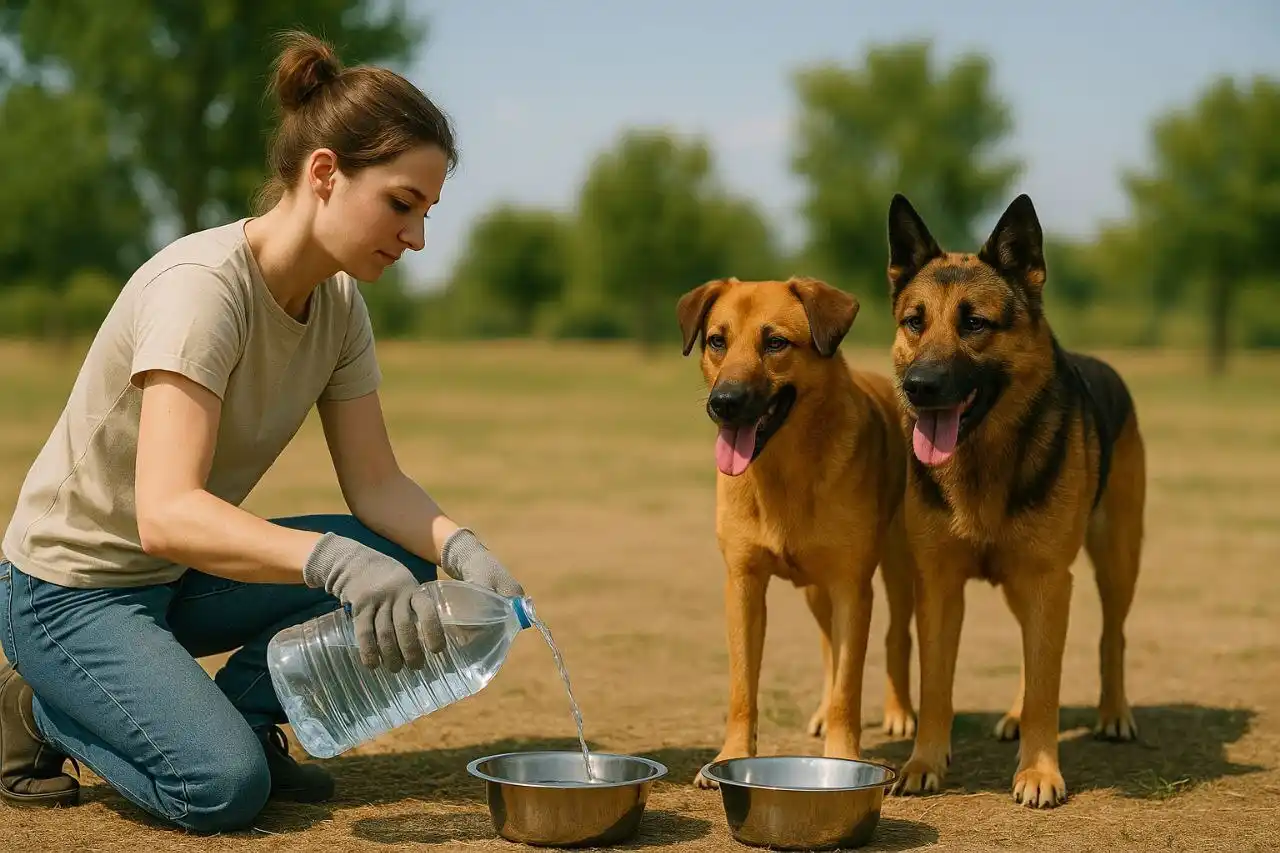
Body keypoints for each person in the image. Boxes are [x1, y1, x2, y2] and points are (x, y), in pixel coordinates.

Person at [0, 30, 525, 833]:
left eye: (426, 211)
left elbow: (377, 484)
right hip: (67, 593)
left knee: (403, 551)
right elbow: (165, 511)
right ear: (324, 173)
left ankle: (242, 713)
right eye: (401, 202)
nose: (417, 238)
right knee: (221, 789)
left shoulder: (341, 305)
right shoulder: (202, 290)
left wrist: (462, 549)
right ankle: (39, 707)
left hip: (173, 580)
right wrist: (335, 561)